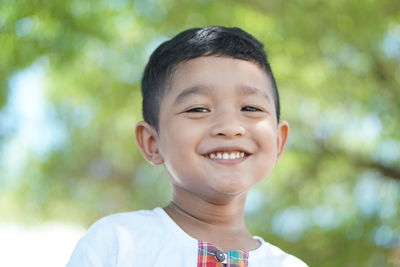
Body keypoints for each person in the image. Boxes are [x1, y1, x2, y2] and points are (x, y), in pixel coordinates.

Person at [67, 26, 308, 267]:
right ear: (152, 142)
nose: (230, 126)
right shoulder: (118, 242)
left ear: (279, 140)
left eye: (250, 108)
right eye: (198, 109)